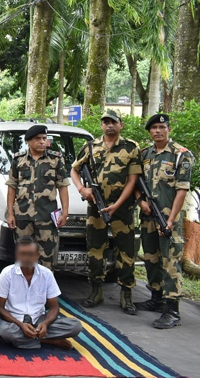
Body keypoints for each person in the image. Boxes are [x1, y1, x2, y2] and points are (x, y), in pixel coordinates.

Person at [70, 110, 141, 313]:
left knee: (126, 251)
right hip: (96, 207)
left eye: (113, 122)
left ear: (121, 125)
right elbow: (75, 169)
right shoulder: (91, 147)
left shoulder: (131, 147)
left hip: (123, 208)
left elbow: (133, 179)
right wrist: (82, 189)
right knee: (95, 248)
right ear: (101, 125)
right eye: (105, 122)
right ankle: (96, 290)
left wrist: (118, 204)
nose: (109, 125)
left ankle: (126, 294)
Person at [135, 114, 194, 329]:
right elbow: (136, 183)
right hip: (148, 216)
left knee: (170, 261)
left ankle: (172, 310)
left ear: (168, 129)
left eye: (161, 127)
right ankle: (156, 298)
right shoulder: (145, 154)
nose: (157, 131)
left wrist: (170, 220)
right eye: (154, 128)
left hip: (170, 219)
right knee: (151, 258)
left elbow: (181, 190)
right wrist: (141, 201)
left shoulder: (181, 155)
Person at [0, 236, 82, 349]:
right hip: (14, 321)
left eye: (30, 254)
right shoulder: (7, 274)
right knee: (6, 333)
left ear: (37, 256)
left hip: (38, 319)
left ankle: (32, 339)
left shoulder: (47, 274)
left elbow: (54, 307)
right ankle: (49, 341)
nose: (26, 258)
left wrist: (45, 324)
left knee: (75, 326)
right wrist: (20, 325)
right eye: (23, 254)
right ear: (17, 255)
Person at [6, 125, 69, 269]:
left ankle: (44, 290)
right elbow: (12, 187)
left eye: (44, 138)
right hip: (22, 217)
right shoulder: (18, 160)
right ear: (28, 141)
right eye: (38, 139)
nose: (42, 142)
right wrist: (10, 213)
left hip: (46, 216)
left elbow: (63, 186)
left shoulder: (56, 159)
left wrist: (65, 212)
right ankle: (23, 288)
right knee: (24, 256)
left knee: (46, 257)